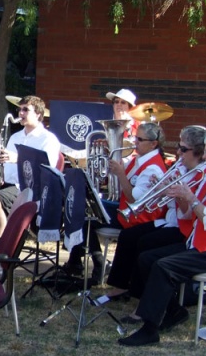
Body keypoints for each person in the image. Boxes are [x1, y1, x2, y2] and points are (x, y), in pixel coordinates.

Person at [118, 126, 206, 346]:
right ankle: (174, 311)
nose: (205, 157)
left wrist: (190, 197)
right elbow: (188, 214)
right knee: (146, 258)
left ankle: (149, 328)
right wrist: (177, 195)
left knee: (164, 267)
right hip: (201, 245)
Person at [105, 125, 206, 302]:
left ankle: (139, 293)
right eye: (178, 147)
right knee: (130, 236)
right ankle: (122, 286)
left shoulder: (201, 175)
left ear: (198, 151)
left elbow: (188, 215)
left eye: (183, 149)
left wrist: (178, 195)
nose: (178, 153)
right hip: (168, 220)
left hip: (183, 228)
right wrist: (161, 189)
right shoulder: (181, 168)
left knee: (145, 244)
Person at [66, 121, 168, 282]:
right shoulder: (141, 159)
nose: (135, 142)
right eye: (136, 138)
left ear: (153, 143)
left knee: (86, 215)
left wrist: (120, 174)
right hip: (125, 210)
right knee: (83, 208)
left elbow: (136, 199)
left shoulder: (152, 168)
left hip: (137, 219)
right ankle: (82, 262)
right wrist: (108, 153)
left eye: (140, 140)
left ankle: (93, 262)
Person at [0, 95, 61, 237]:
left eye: (26, 110)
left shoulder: (48, 139)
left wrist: (18, 159)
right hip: (14, 186)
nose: (21, 113)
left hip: (34, 190)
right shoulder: (15, 137)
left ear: (38, 114)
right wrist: (0, 180)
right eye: (19, 109)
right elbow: (8, 170)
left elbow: (46, 169)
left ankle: (1, 246)